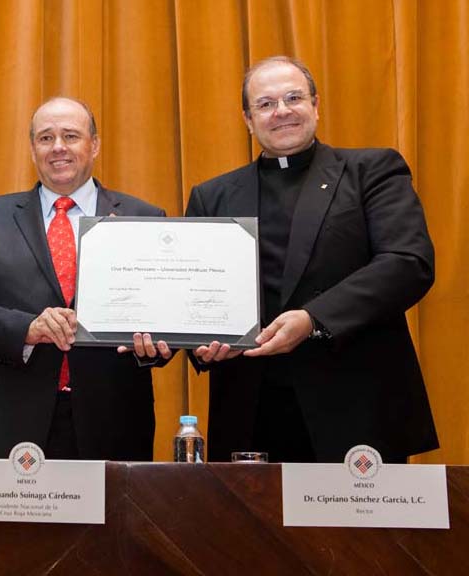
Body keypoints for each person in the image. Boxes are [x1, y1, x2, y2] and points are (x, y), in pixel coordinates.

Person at [185, 56, 438, 463]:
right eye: (265, 104)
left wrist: (313, 319)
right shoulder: (211, 197)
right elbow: (194, 294)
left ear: (316, 106)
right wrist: (202, 341)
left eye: (293, 97)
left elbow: (408, 262)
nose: (281, 111)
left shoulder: (371, 170)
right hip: (252, 414)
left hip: (355, 407)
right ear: (248, 120)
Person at [0, 97, 172, 461]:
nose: (58, 147)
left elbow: (165, 314)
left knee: (111, 521)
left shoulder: (143, 217)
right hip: (8, 417)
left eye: (71, 136)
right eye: (46, 138)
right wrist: (26, 328)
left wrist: (156, 345)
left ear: (94, 145)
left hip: (112, 417)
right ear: (32, 149)